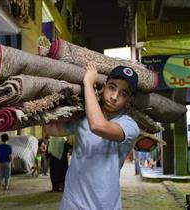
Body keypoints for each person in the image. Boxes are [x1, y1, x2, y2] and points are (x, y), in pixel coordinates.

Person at [44, 63, 140, 210]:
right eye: (112, 87)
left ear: (129, 99)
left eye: (123, 93)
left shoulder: (129, 126)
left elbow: (98, 126)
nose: (114, 97)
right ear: (104, 86)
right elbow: (51, 129)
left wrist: (88, 83)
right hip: (72, 204)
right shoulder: (82, 119)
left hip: (105, 205)